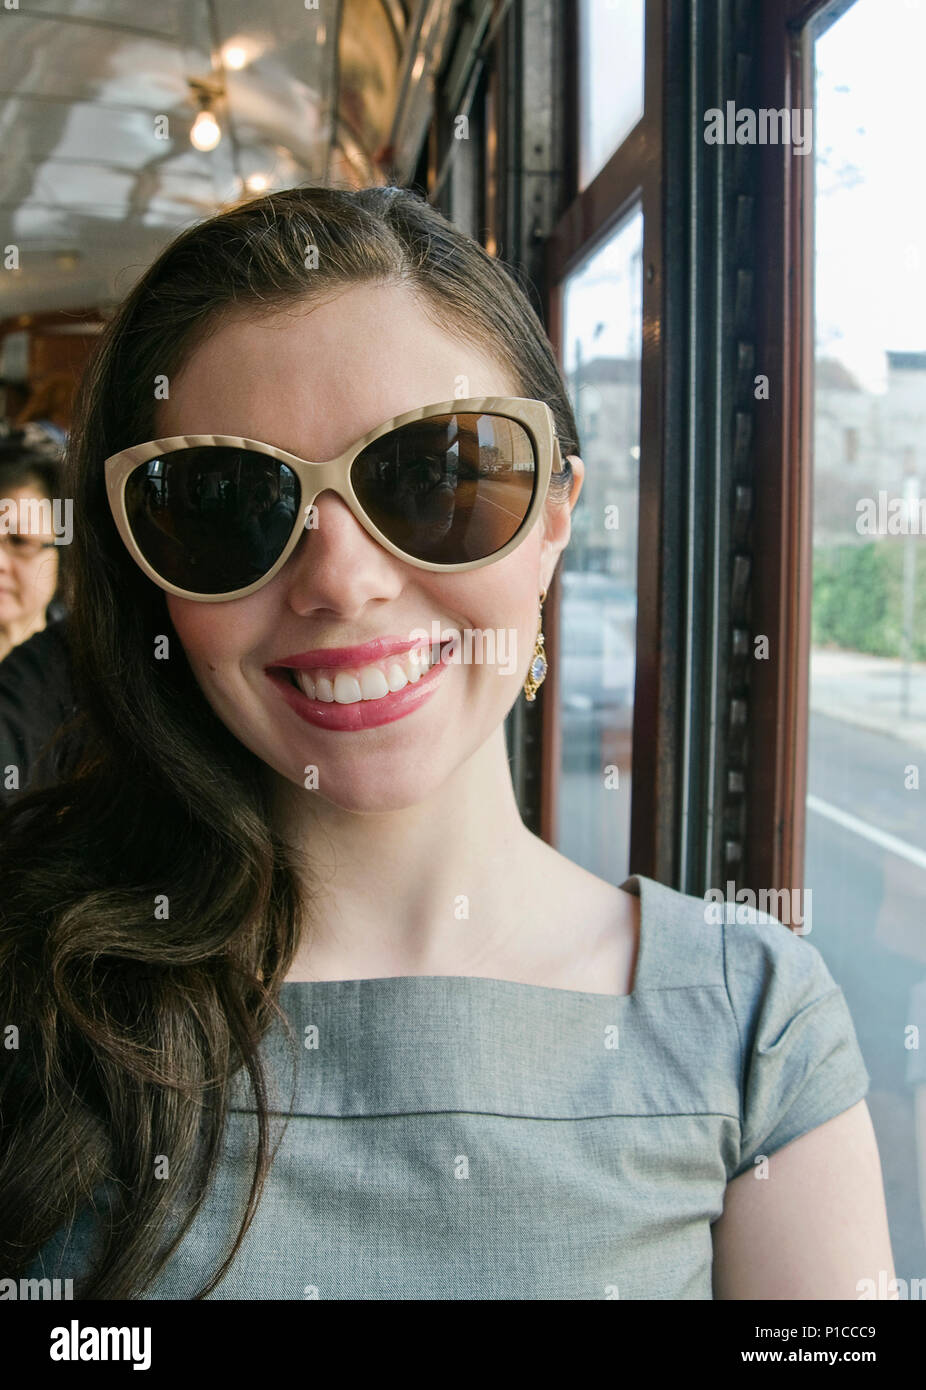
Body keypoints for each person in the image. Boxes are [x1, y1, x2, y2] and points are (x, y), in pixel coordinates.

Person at [0, 185, 895, 1300]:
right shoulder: (31, 982)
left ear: (552, 518)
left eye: (433, 478)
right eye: (232, 503)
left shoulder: (755, 1033)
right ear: (151, 574)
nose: (341, 581)